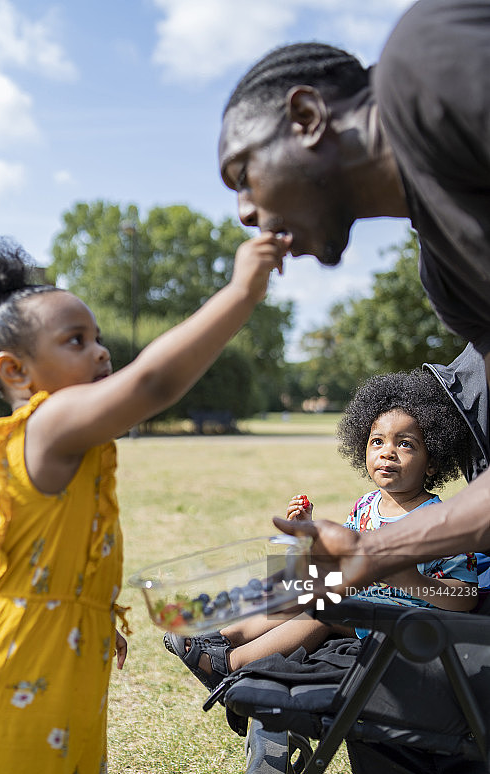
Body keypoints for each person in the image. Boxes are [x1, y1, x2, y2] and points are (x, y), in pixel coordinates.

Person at [0, 230, 289, 774]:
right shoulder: (47, 425)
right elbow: (153, 381)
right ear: (16, 372)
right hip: (18, 670)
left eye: (99, 337)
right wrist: (241, 292)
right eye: (76, 340)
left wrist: (94, 614)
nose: (102, 351)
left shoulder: (72, 443)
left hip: (64, 662)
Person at [217, 0, 490, 594]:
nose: (243, 212)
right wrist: (375, 549)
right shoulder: (452, 280)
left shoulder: (431, 63)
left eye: (243, 173)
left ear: (308, 116)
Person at [163, 370, 478, 691]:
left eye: (406, 444)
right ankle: (225, 638)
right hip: (363, 605)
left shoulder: (441, 521)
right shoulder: (365, 507)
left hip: (409, 626)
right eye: (377, 441)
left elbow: (466, 597)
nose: (387, 452)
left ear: (432, 462)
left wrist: (414, 581)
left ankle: (230, 664)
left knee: (322, 611)